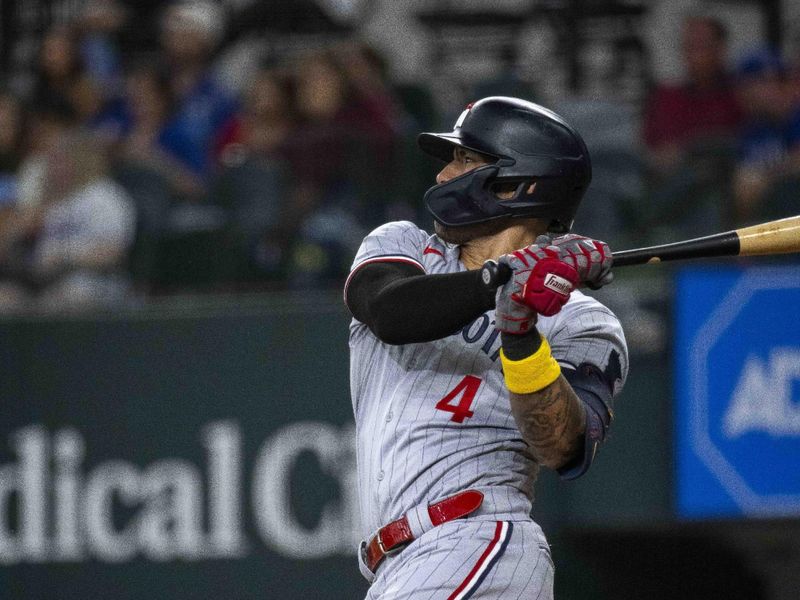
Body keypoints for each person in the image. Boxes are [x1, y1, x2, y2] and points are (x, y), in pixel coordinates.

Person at [344, 96, 628, 599]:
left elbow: (564, 447)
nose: (442, 176)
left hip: (477, 539)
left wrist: (520, 331)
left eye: (464, 161)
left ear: (517, 184)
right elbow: (389, 311)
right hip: (395, 567)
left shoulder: (583, 321)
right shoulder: (407, 246)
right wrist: (502, 282)